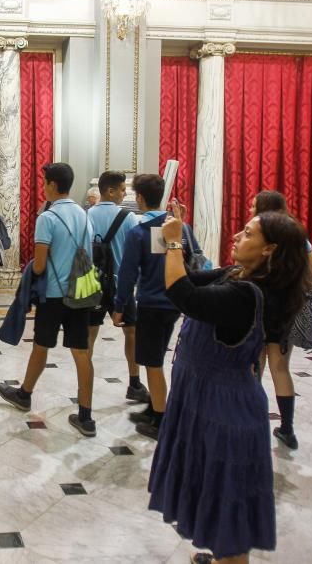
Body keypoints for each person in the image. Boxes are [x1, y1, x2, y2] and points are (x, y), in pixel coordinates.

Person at [149, 204, 311, 564]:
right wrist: (182, 236)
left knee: (229, 512)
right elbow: (191, 281)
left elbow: (184, 296)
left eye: (249, 233)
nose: (238, 236)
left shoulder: (250, 294)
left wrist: (174, 244)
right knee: (211, 493)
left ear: (270, 250)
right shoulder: (238, 276)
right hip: (204, 401)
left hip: (225, 411)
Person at [0, 162, 98, 437]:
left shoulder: (48, 218)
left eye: (44, 182)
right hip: (79, 293)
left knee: (41, 346)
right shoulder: (84, 214)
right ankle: (86, 416)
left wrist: (31, 271)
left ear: (52, 184)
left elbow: (40, 265)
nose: (43, 187)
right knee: (81, 352)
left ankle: (24, 394)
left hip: (53, 295)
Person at [248, 190, 312, 450]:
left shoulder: (260, 234)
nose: (249, 208)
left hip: (259, 304)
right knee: (281, 367)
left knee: (255, 364)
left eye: (253, 205)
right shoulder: (296, 233)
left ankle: (251, 420)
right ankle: (288, 429)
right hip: (286, 307)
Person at [114, 174, 183, 439]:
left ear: (139, 198)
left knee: (153, 363)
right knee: (153, 357)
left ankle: (160, 420)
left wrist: (120, 305)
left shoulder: (139, 232)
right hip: (175, 301)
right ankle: (154, 408)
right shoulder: (178, 228)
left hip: (152, 303)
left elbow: (128, 272)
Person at [87, 171, 148, 403]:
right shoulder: (129, 218)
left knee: (90, 333)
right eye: (123, 189)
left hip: (93, 284)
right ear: (110, 191)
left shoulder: (87, 215)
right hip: (120, 284)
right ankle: (134, 382)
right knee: (131, 331)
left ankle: (86, 381)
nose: (125, 194)